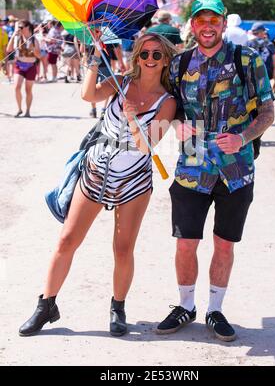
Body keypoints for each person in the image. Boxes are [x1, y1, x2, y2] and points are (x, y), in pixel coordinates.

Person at [18, 33, 176, 337]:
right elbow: (88, 96)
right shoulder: (119, 81)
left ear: (166, 59)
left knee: (122, 248)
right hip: (96, 170)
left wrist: (131, 116)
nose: (150, 59)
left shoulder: (168, 102)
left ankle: (118, 307)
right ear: (137, 56)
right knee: (67, 239)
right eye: (144, 53)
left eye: (157, 54)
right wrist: (93, 57)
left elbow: (147, 146)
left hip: (134, 178)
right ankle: (46, 305)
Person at [156, 0, 275, 342]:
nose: (207, 26)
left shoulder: (247, 59)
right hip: (192, 164)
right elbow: (170, 109)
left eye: (214, 20)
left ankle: (215, 310)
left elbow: (267, 112)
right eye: (201, 20)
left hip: (235, 168)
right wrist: (176, 125)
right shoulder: (178, 65)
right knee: (185, 243)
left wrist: (243, 137)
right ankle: (186, 305)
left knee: (224, 244)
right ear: (193, 25)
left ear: (223, 23)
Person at [6, 20, 41, 118]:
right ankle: (19, 109)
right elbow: (8, 50)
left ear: (28, 27)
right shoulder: (17, 38)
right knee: (16, 87)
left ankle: (28, 111)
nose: (20, 29)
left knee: (28, 90)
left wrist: (33, 50)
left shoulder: (34, 39)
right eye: (19, 27)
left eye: (21, 27)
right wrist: (13, 35)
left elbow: (39, 56)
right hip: (19, 65)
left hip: (31, 66)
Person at [247, 22, 275, 93]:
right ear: (260, 32)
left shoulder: (248, 43)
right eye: (264, 31)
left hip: (252, 78)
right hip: (266, 78)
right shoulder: (269, 44)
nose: (264, 33)